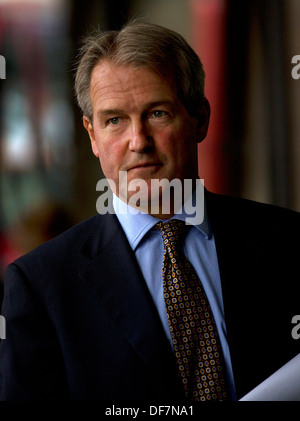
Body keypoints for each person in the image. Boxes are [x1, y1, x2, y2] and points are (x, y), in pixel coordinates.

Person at [0, 20, 299, 402]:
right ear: (92, 135)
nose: (138, 141)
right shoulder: (41, 286)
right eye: (115, 121)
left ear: (200, 119)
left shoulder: (287, 240)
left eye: (157, 113)